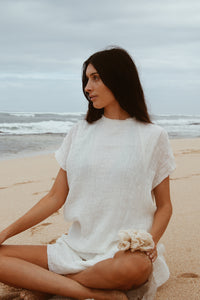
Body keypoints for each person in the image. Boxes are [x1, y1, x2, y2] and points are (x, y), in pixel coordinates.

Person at [0, 47, 175, 300]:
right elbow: (54, 198)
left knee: (134, 268)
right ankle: (99, 294)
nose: (87, 87)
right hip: (74, 248)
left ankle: (46, 284)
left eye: (95, 78)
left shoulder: (153, 136)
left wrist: (150, 243)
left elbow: (165, 206)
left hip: (122, 254)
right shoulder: (79, 132)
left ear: (118, 78)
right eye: (86, 79)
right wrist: (6, 233)